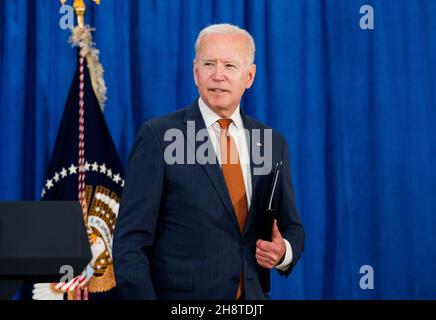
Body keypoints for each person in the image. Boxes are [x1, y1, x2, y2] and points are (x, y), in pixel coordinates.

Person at [113, 23, 304, 300]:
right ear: (195, 71)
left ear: (249, 76)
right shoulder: (159, 137)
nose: (218, 75)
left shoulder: (272, 143)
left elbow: (292, 227)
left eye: (229, 65)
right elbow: (130, 242)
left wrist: (283, 252)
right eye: (209, 63)